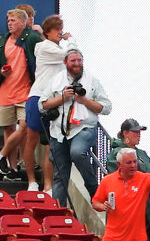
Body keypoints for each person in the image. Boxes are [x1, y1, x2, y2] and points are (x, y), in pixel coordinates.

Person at [42, 49, 110, 212]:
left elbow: (106, 107)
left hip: (84, 127)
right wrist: (62, 97)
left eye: (79, 60)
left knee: (77, 152)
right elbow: (42, 104)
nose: (77, 63)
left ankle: (93, 188)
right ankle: (58, 214)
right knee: (60, 176)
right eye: (73, 60)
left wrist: (84, 100)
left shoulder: (92, 80)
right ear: (65, 62)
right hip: (58, 132)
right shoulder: (56, 80)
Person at [0, 4, 39, 183]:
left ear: (23, 22)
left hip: (25, 92)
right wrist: (0, 72)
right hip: (6, 93)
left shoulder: (31, 39)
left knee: (24, 127)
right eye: (8, 20)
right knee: (9, 130)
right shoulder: (2, 42)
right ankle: (12, 169)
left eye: (13, 20)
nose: (9, 23)